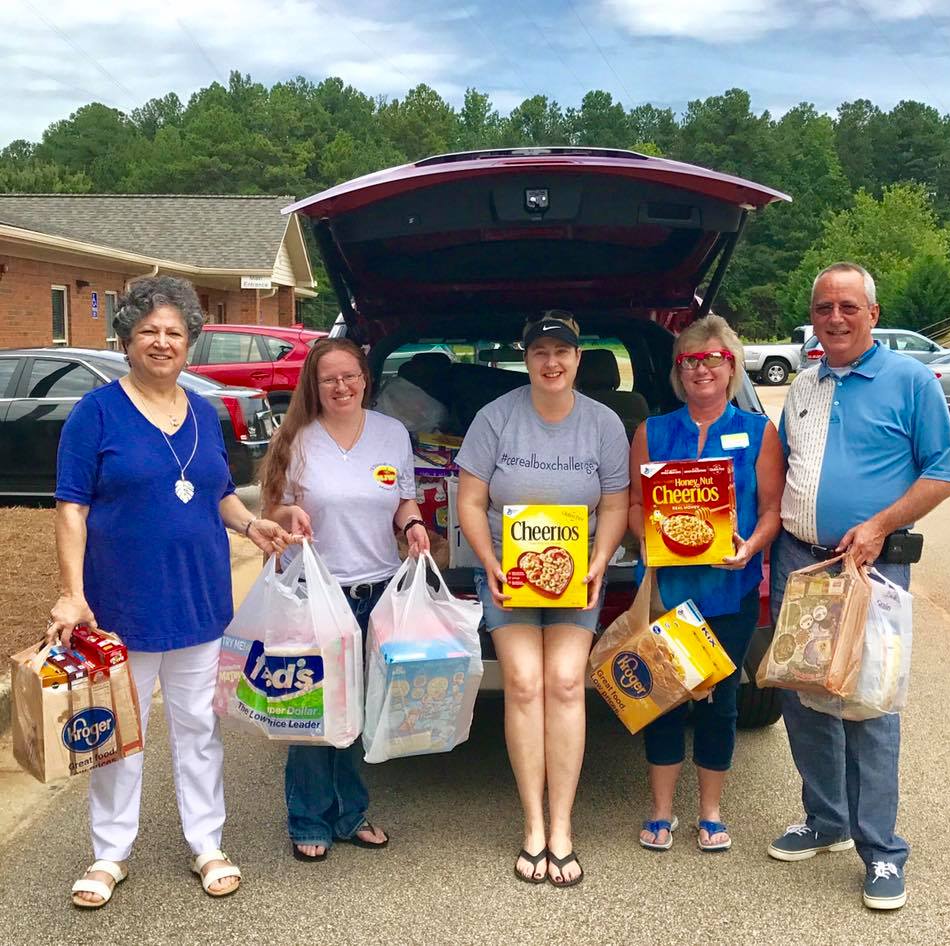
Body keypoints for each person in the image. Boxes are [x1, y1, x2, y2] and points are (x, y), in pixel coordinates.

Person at [49, 276, 293, 909]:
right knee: (117, 735)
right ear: (127, 338)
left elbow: (213, 493)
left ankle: (207, 843)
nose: (162, 342)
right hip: (120, 608)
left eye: (174, 333)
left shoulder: (203, 414)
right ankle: (109, 855)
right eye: (149, 331)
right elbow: (71, 509)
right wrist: (72, 595)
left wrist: (250, 522)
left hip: (200, 603)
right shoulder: (95, 413)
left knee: (199, 731)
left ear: (190, 344)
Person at [766, 262, 950, 910]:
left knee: (868, 704)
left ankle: (882, 851)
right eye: (824, 308)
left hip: (870, 566)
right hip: (801, 562)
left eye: (849, 306)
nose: (836, 318)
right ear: (813, 318)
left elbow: (945, 470)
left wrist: (878, 525)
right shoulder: (803, 384)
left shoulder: (910, 380)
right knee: (806, 699)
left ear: (872, 314)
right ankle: (827, 822)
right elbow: (787, 464)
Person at [456, 313, 629, 887]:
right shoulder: (496, 417)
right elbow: (471, 501)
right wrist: (489, 562)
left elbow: (615, 504)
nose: (551, 363)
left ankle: (563, 827)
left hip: (577, 577)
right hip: (509, 576)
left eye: (563, 352)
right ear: (525, 359)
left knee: (565, 682)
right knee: (525, 684)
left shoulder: (603, 423)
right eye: (539, 353)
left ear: (580, 359)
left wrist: (600, 561)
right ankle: (533, 825)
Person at [260, 338, 430, 861]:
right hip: (316, 592)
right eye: (329, 378)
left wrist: (415, 524)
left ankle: (350, 813)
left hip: (375, 590)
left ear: (365, 379)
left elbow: (402, 498)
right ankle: (308, 817)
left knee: (357, 711)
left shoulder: (391, 434)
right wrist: (289, 517)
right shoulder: (297, 438)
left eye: (350, 376)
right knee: (312, 712)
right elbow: (272, 510)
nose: (341, 387)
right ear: (314, 384)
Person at [628, 313, 785, 853]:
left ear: (732, 366)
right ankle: (662, 812)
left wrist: (750, 547)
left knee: (721, 702)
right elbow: (633, 504)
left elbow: (772, 510)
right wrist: (644, 537)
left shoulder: (760, 432)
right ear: (678, 372)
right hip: (670, 591)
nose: (701, 369)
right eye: (690, 360)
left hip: (730, 593)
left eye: (713, 358)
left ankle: (712, 813)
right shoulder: (653, 430)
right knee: (665, 699)